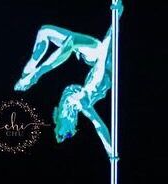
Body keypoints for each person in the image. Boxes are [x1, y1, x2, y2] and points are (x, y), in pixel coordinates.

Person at [14, 0, 124, 157]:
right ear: (71, 115)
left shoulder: (75, 98)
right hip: (102, 58)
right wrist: (115, 19)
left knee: (44, 32)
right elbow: (99, 125)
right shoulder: (83, 101)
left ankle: (29, 70)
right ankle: (35, 75)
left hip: (94, 56)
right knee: (73, 43)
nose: (65, 101)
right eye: (66, 107)